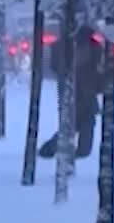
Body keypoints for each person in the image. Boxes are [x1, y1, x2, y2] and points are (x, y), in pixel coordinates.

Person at [39, 25, 102, 159]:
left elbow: (55, 67)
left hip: (81, 89)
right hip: (80, 90)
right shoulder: (88, 47)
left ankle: (53, 149)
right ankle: (75, 151)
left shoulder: (63, 45)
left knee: (77, 123)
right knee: (78, 123)